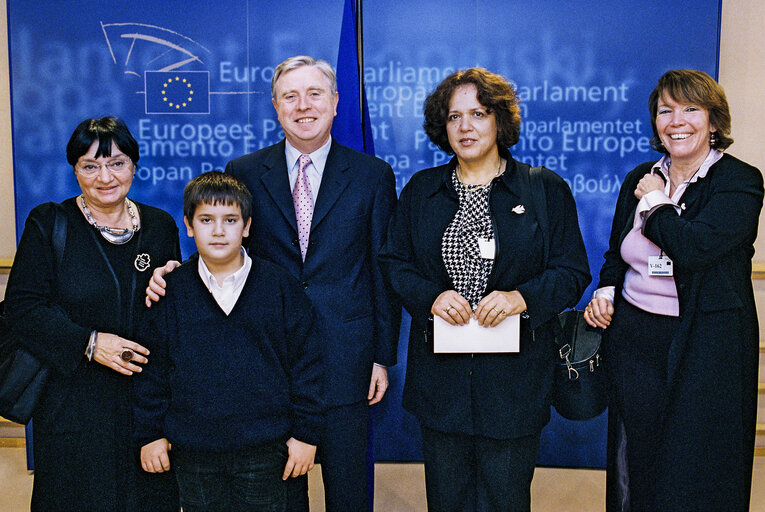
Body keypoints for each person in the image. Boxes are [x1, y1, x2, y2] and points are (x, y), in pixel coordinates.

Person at [146, 55, 400, 511]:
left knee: (349, 494)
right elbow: (223, 249)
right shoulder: (243, 171)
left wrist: (382, 355)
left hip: (349, 360)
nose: (303, 106)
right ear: (276, 106)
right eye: (290, 96)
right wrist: (172, 274)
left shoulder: (371, 175)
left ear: (336, 102)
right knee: (281, 494)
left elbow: (382, 268)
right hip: (269, 368)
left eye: (314, 94)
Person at [380, 68, 591, 511]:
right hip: (441, 384)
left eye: (478, 114)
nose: (465, 127)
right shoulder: (422, 191)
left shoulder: (543, 189)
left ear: (500, 121)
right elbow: (394, 264)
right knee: (447, 500)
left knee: (505, 500)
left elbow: (572, 271)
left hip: (515, 384)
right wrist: (431, 297)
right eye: (454, 117)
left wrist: (522, 298)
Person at [584, 69, 763, 511]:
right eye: (666, 110)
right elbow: (616, 253)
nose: (676, 120)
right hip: (635, 342)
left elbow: (695, 248)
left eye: (690, 109)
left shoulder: (739, 181)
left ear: (714, 123)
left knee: (695, 464)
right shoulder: (638, 177)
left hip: (706, 346)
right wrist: (605, 291)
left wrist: (656, 202)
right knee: (638, 460)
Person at [2, 117, 180, 511]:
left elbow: (171, 318)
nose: (105, 177)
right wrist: (90, 343)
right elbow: (23, 308)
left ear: (134, 165)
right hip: (72, 408)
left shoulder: (159, 226)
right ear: (74, 170)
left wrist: (175, 285)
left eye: (116, 163)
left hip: (144, 409)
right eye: (90, 165)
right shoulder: (49, 223)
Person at [133, 171, 323, 511]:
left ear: (247, 226)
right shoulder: (169, 291)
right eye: (206, 219)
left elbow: (307, 366)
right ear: (189, 227)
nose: (218, 231)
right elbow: (153, 370)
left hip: (266, 450)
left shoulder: (280, 288)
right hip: (193, 452)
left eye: (230, 219)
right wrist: (150, 433)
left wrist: (306, 434)